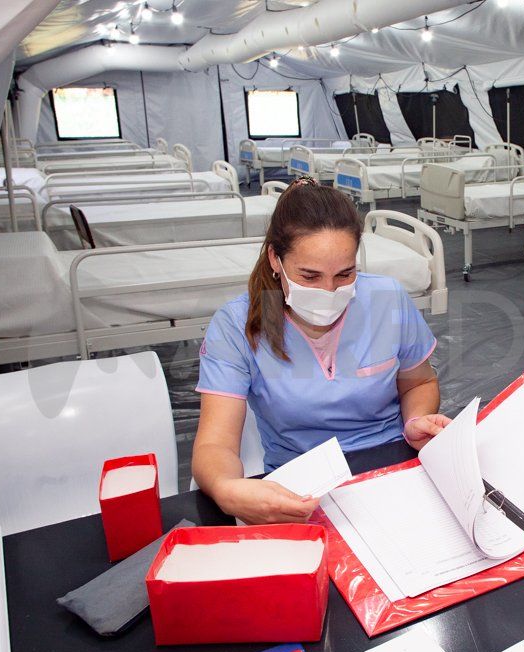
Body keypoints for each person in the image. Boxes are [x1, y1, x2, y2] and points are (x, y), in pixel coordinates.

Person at [192, 178, 451, 522]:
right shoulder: (236, 326)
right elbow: (215, 444)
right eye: (310, 277)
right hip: (299, 488)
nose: (329, 291)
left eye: (345, 274)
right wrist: (226, 488)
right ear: (275, 259)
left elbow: (418, 383)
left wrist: (415, 421)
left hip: (391, 467)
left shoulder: (387, 299)